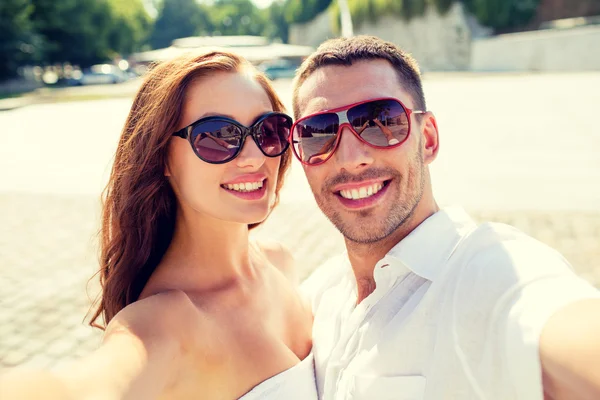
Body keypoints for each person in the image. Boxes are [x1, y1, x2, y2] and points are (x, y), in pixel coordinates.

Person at [289, 36, 600, 400]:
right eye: (318, 133)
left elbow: (558, 319)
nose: (350, 157)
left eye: (380, 122)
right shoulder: (317, 297)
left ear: (429, 139)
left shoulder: (487, 271)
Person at [0, 50, 317, 400]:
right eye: (217, 136)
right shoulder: (164, 325)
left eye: (269, 131)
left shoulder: (280, 262)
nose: (255, 156)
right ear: (161, 155)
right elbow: (78, 388)